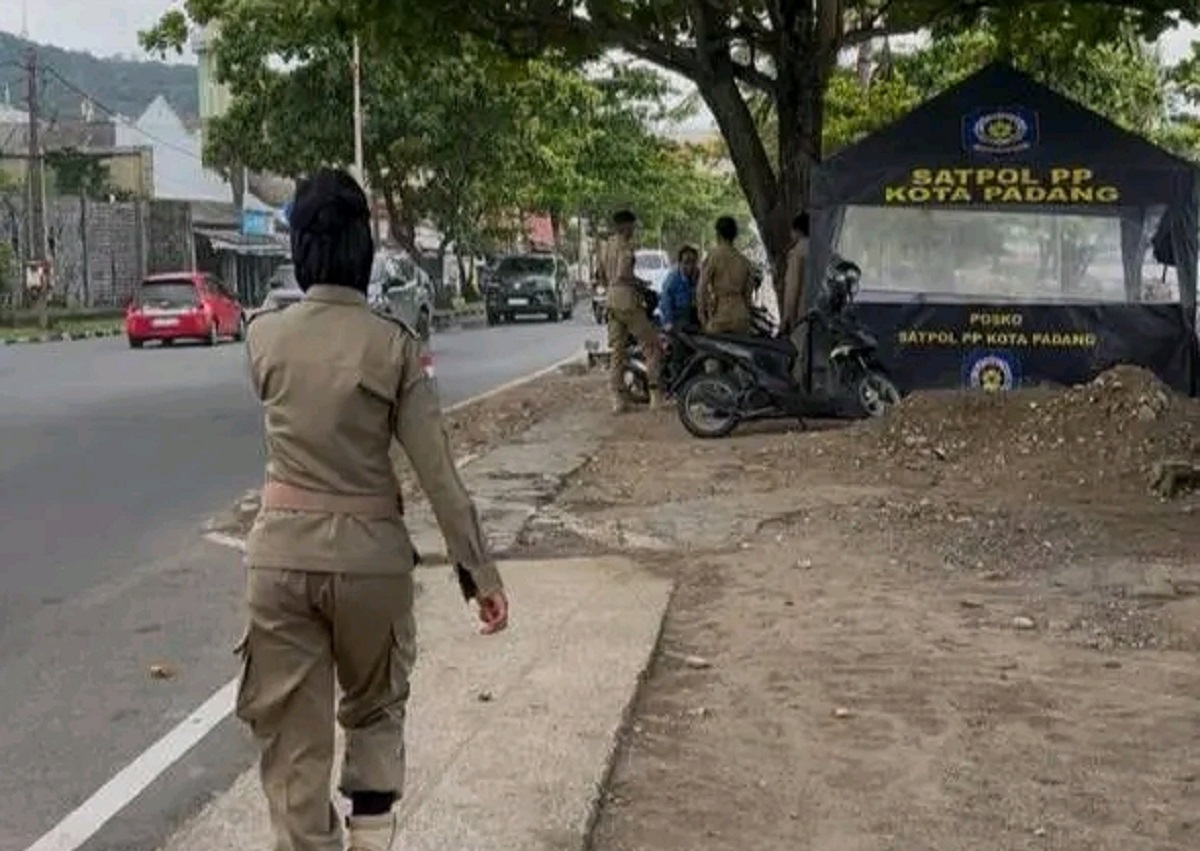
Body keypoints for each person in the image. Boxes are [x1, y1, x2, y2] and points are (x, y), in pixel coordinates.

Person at [239, 168, 509, 851]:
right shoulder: (395, 347)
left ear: (299, 247)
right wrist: (481, 575)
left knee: (294, 745)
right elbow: (439, 474)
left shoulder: (262, 337)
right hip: (371, 564)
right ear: (365, 245)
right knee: (376, 714)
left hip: (280, 561)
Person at [599, 209, 663, 413]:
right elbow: (624, 274)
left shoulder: (605, 246)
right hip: (628, 301)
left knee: (617, 353)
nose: (633, 230)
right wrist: (642, 285)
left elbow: (601, 276)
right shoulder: (626, 246)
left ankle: (618, 399)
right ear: (624, 226)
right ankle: (655, 396)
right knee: (652, 346)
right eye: (632, 226)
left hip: (610, 302)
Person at [696, 216, 755, 335]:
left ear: (717, 234)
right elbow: (748, 296)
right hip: (741, 316)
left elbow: (701, 288)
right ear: (735, 235)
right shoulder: (744, 261)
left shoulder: (713, 256)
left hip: (720, 316)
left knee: (709, 349)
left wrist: (702, 316)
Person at [780, 213, 810, 335]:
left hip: (802, 316)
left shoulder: (797, 253)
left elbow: (793, 289)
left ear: (797, 231)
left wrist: (787, 318)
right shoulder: (824, 249)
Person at [658, 245, 700, 330]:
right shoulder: (673, 278)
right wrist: (669, 322)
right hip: (676, 321)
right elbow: (666, 302)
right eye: (686, 262)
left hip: (692, 319)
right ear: (680, 263)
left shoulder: (699, 275)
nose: (690, 266)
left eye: (693, 261)